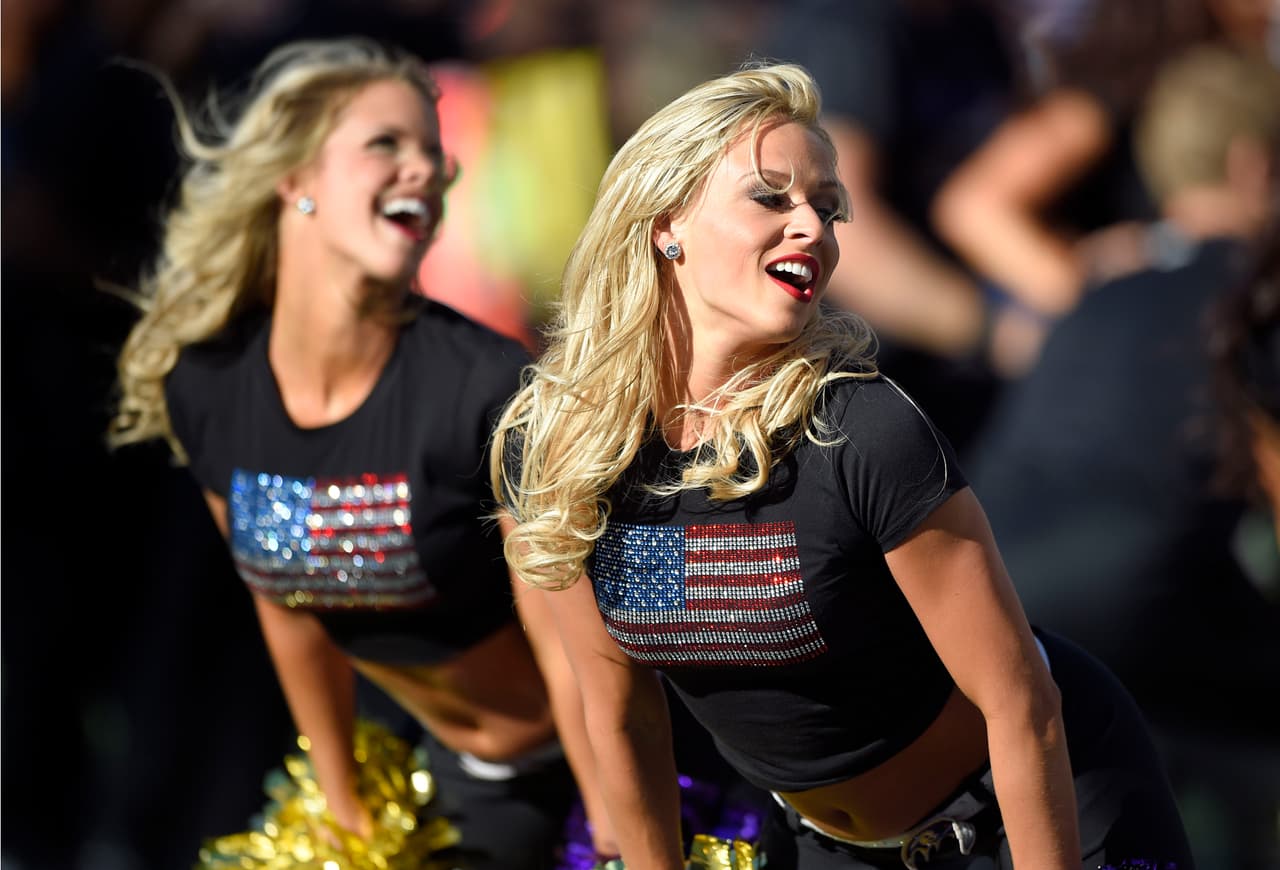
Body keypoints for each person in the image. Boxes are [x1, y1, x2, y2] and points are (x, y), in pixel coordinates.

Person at [492, 62, 1195, 869]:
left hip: (1035, 805)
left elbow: (1021, 703)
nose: (814, 230)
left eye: (828, 210)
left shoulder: (859, 429)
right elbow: (623, 713)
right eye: (772, 197)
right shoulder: (564, 448)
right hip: (826, 845)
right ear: (664, 222)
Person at [108, 36, 612, 869]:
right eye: (387, 144)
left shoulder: (487, 390)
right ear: (295, 178)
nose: (424, 169)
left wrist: (616, 838)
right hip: (449, 769)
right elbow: (284, 602)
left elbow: (574, 654)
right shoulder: (210, 388)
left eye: (434, 154)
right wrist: (344, 811)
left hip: (585, 761)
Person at [963, 43, 1280, 869]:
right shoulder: (1256, 291)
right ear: (1255, 166)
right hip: (1140, 603)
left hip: (999, 608)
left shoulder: (1091, 286)